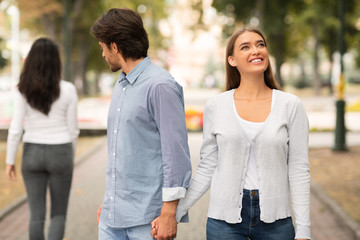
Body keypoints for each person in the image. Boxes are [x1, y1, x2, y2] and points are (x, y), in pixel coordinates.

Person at [155, 28, 310, 239]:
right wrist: (175, 212)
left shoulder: (290, 105)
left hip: (276, 223)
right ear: (232, 60)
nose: (256, 50)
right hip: (224, 223)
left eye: (260, 44)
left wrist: (303, 231)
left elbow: (299, 170)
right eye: (245, 47)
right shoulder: (216, 106)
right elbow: (207, 166)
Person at [90, 8, 192, 240]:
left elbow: (175, 154)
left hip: (148, 223)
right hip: (111, 220)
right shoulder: (122, 83)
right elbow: (124, 150)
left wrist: (169, 212)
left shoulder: (160, 86)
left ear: (115, 46)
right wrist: (110, 204)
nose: (103, 54)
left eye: (102, 47)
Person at [5, 38, 79, 240]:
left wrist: (10, 160)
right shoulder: (69, 90)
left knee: (36, 217)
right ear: (56, 62)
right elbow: (73, 131)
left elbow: (15, 128)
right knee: (58, 214)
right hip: (61, 150)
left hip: (32, 153)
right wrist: (69, 158)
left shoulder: (22, 89)